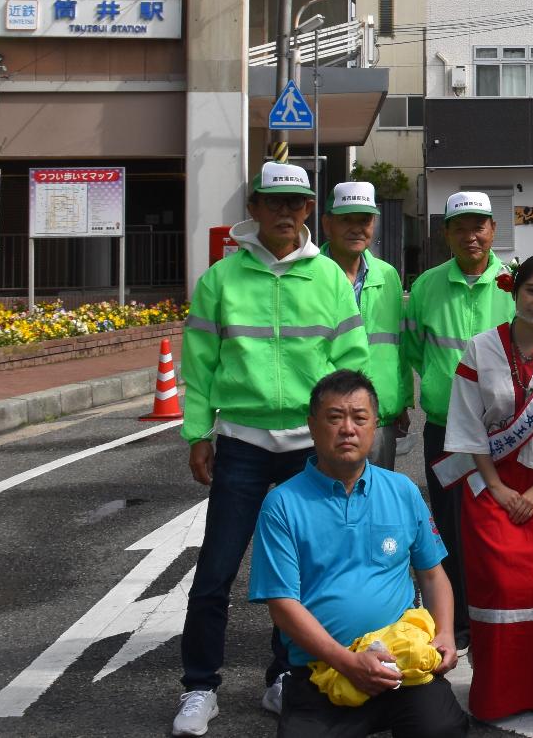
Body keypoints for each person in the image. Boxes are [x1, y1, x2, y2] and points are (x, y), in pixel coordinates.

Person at [173, 162, 373, 737]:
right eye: (275, 203)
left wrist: (345, 433)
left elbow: (350, 360)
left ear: (310, 211)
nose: (287, 214)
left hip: (308, 448)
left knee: (304, 573)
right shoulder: (221, 280)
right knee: (216, 569)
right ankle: (199, 688)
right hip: (240, 442)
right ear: (255, 208)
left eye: (298, 204)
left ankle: (284, 675)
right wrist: (196, 434)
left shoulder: (331, 279)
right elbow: (200, 364)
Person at [248, 369, 466, 738]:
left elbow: (432, 574)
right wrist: (348, 662)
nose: (347, 428)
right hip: (323, 668)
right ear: (312, 426)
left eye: (359, 418)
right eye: (335, 418)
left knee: (443, 729)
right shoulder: (282, 504)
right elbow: (282, 604)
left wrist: (444, 632)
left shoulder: (402, 491)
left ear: (374, 426)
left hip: (402, 661)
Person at [437, 254, 533, 722]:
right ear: (514, 291)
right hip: (489, 483)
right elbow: (466, 427)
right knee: (497, 586)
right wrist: (498, 487)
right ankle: (495, 693)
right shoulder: (479, 349)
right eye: (532, 291)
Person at [404, 192, 515, 648]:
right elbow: (414, 349)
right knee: (448, 523)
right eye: (460, 228)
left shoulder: (513, 282)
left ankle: (500, 610)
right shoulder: (427, 286)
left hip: (505, 430)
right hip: (445, 426)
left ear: (493, 230)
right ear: (446, 233)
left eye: (479, 226)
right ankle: (459, 621)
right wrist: (435, 383)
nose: (471, 236)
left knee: (499, 518)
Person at [322, 181, 409, 468]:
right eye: (347, 219)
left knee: (375, 501)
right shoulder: (308, 275)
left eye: (365, 220)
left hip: (378, 415)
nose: (357, 228)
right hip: (324, 414)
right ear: (327, 224)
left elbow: (400, 344)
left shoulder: (388, 275)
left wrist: (402, 400)